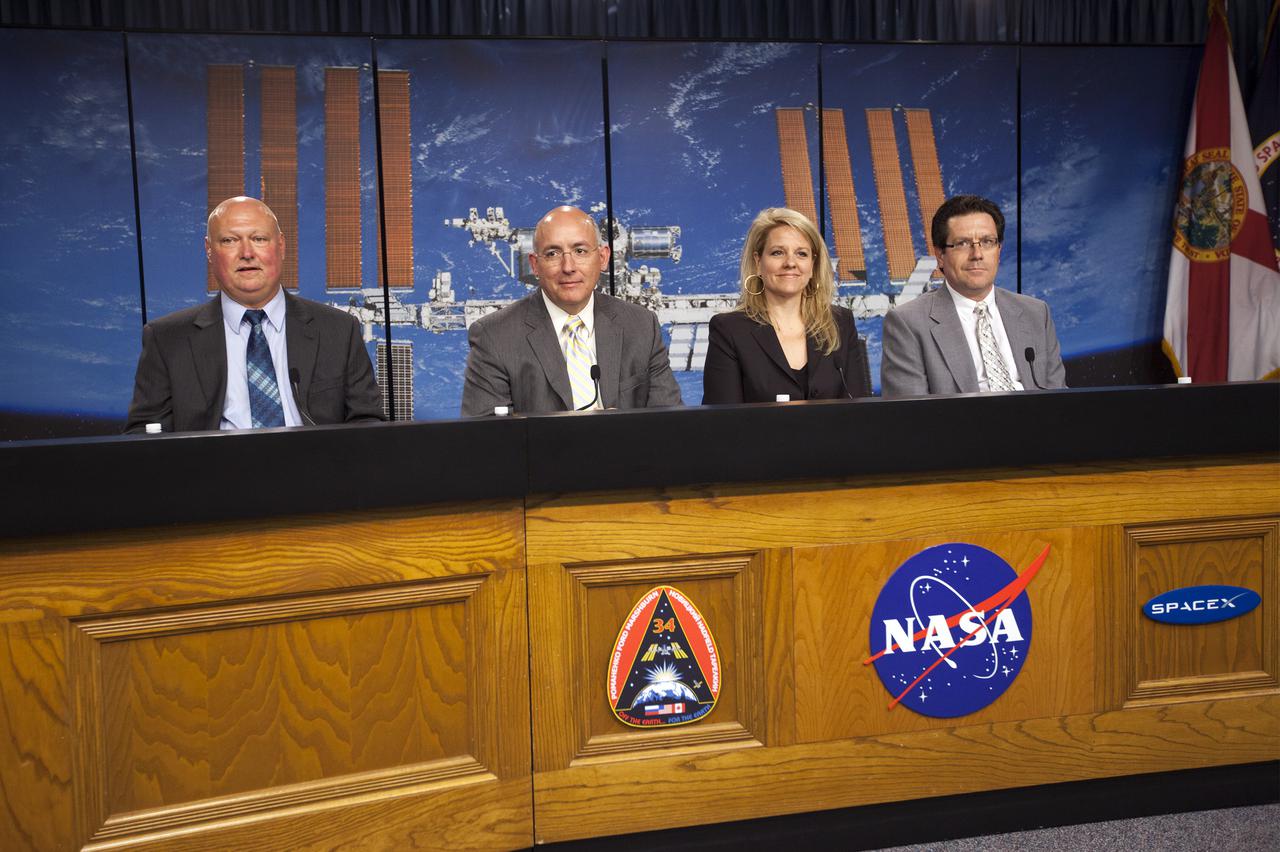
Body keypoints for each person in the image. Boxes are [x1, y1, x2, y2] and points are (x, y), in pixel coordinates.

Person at [125, 196, 385, 432]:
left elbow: (368, 423)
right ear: (209, 250)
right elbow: (143, 437)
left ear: (280, 246)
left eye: (259, 239)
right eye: (229, 240)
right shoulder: (168, 339)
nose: (247, 253)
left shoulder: (338, 330)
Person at [460, 205, 683, 415]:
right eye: (552, 254)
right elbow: (485, 442)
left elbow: (672, 427)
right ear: (535, 265)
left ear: (603, 258)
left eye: (580, 251)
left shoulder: (641, 325)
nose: (568, 267)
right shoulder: (494, 336)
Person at [880, 195, 1066, 397]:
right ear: (940, 255)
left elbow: (1060, 402)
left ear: (999, 250)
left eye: (987, 242)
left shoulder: (1036, 313)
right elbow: (909, 418)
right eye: (962, 243)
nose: (977, 254)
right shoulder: (908, 322)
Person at [702, 207, 870, 404]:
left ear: (813, 264)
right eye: (777, 253)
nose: (790, 263)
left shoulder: (840, 323)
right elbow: (720, 425)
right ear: (758, 261)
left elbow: (861, 413)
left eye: (801, 254)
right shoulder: (729, 330)